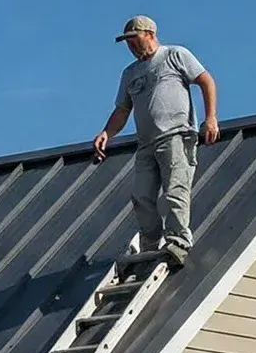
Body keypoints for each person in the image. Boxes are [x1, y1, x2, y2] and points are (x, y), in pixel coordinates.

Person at [91, 15, 219, 266]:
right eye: (127, 42)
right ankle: (150, 245)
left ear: (149, 34)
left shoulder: (175, 55)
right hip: (146, 143)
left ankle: (178, 241)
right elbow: (122, 110)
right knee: (141, 196)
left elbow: (205, 80)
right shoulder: (130, 73)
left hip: (176, 135)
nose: (130, 45)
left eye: (133, 39)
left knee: (174, 191)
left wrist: (211, 118)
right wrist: (107, 133)